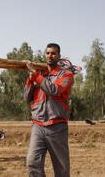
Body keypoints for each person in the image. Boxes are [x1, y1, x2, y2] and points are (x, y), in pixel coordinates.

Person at [23, 43, 74, 177]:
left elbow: (53, 90)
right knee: (32, 162)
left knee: (61, 168)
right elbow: (26, 98)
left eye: (53, 53)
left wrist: (35, 74)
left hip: (57, 126)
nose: (49, 56)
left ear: (59, 56)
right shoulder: (38, 74)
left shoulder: (66, 75)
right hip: (38, 126)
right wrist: (30, 78)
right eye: (47, 53)